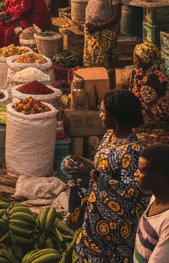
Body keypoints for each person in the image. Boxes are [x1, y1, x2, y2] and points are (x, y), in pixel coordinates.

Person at [67, 89, 146, 263]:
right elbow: (102, 168)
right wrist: (82, 163)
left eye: (103, 112)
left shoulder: (133, 150)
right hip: (95, 220)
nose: (100, 115)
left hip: (114, 231)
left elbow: (130, 192)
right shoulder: (109, 137)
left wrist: (94, 173)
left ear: (116, 116)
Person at [84, 0, 123, 81]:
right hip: (92, 33)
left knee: (103, 65)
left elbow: (117, 17)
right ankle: (93, 83)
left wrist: (99, 26)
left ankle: (105, 85)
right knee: (91, 62)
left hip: (105, 34)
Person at [135, 143, 169, 262]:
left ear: (159, 178)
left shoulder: (166, 221)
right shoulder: (155, 198)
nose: (136, 174)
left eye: (141, 171)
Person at [131, 43, 169, 139]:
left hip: (153, 123)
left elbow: (149, 104)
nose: (134, 60)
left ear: (144, 59)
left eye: (137, 58)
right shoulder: (144, 73)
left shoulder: (151, 79)